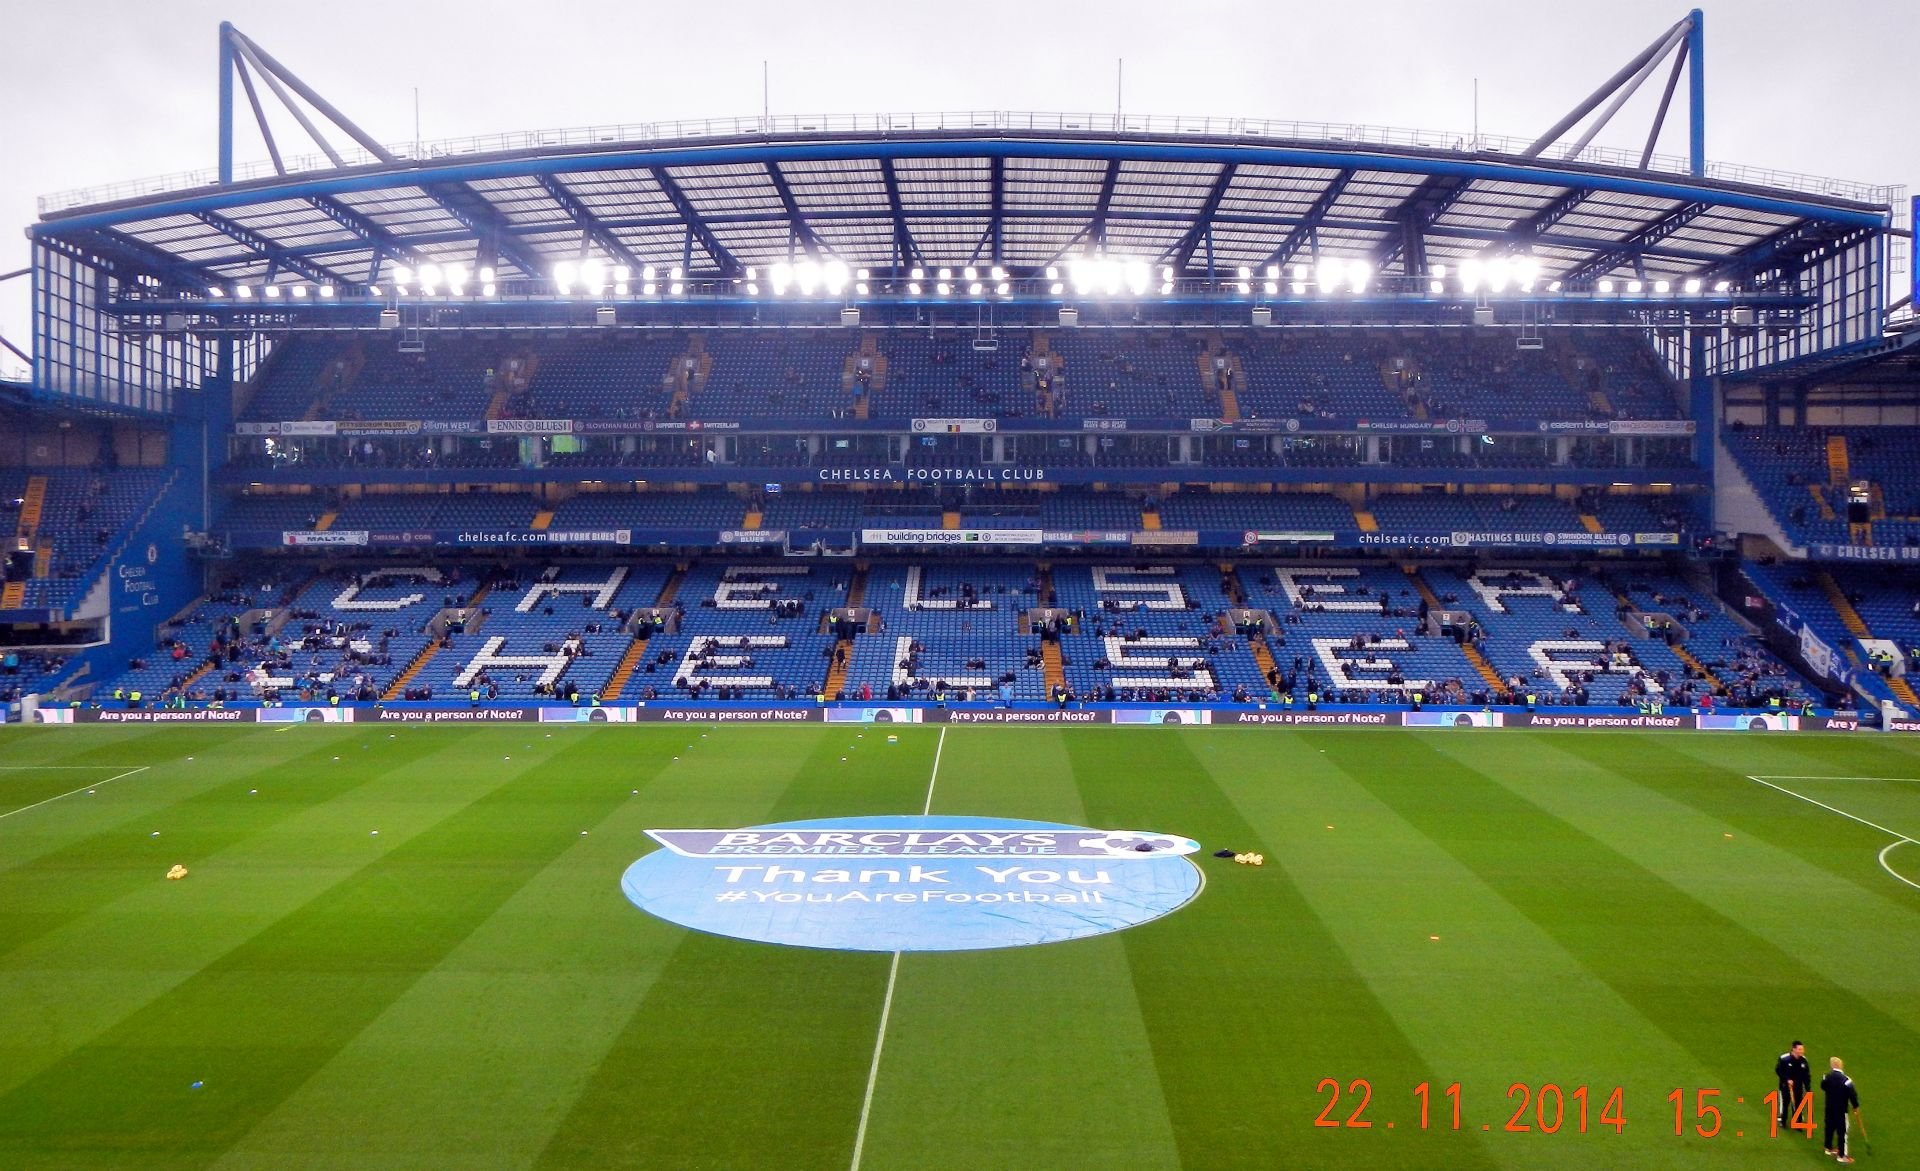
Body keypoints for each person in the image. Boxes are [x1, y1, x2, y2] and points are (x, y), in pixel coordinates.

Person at [1821, 1056, 1859, 1162]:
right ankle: (1842, 1156)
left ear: (1832, 1065)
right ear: (1841, 1065)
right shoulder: (1846, 1080)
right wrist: (1855, 1107)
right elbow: (1852, 1095)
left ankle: (1828, 1148)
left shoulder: (1826, 1077)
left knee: (1829, 1128)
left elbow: (1823, 1087)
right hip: (1841, 1110)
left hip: (1829, 1108)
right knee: (1842, 1132)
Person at [1775, 1041, 1811, 1132]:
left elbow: (1806, 1075)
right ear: (1794, 1049)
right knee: (1785, 1103)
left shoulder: (1804, 1060)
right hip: (1785, 1086)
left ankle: (1797, 1123)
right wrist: (1787, 1079)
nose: (1802, 1051)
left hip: (1798, 1086)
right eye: (1800, 1049)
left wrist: (1808, 1088)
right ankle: (1783, 1121)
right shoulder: (1784, 1059)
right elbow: (1779, 1071)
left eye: (1802, 1049)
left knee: (1798, 1104)